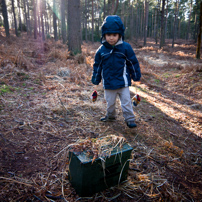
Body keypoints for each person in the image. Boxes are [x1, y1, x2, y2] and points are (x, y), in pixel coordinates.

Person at [91, 15, 141, 128]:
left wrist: (136, 75)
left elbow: (133, 62)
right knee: (110, 103)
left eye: (114, 35)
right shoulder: (101, 51)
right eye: (109, 35)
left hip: (123, 82)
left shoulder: (125, 48)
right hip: (108, 83)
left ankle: (130, 119)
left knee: (126, 102)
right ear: (104, 35)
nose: (111, 38)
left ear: (120, 35)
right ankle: (110, 116)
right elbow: (97, 66)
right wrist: (96, 78)